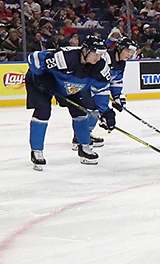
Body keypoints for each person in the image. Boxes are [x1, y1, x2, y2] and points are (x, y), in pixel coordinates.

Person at [25, 34, 117, 169]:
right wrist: (41, 78)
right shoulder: (65, 57)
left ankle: (84, 147)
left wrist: (106, 112)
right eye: (96, 54)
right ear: (85, 51)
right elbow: (33, 58)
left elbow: (101, 91)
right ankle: (37, 151)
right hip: (43, 83)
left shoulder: (100, 67)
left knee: (80, 113)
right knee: (43, 111)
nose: (99, 58)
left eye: (101, 54)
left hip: (71, 87)